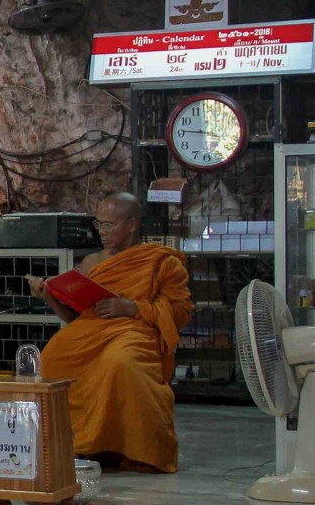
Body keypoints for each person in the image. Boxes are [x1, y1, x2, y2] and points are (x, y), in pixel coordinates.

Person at [30, 193, 194, 473]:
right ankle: (74, 444)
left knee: (120, 363)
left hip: (134, 330)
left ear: (132, 225)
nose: (102, 233)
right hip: (91, 329)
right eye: (99, 225)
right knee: (53, 359)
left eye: (110, 225)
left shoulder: (161, 262)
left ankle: (130, 449)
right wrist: (49, 298)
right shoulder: (92, 262)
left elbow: (180, 312)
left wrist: (132, 308)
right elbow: (75, 316)